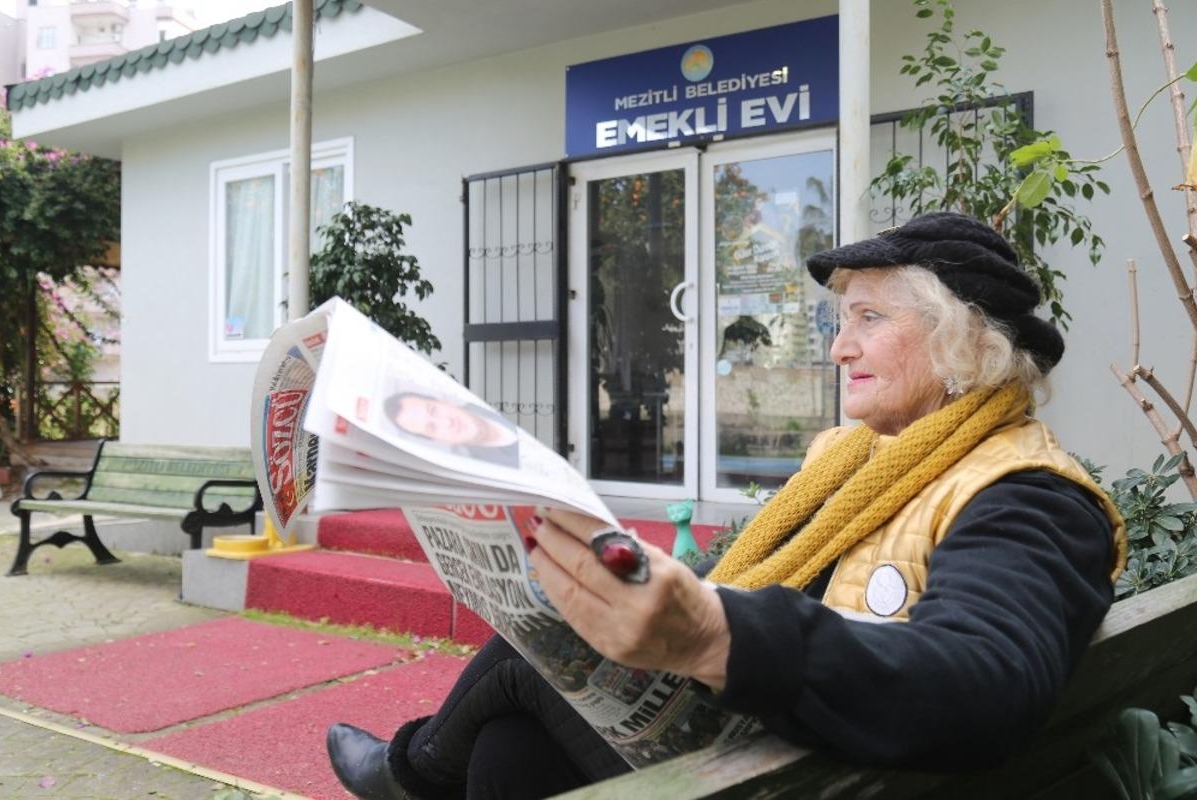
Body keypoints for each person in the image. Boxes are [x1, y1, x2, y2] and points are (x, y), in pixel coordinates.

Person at [326, 212, 1126, 799]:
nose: (839, 347)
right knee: (510, 741)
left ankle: (414, 776)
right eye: (841, 321)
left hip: (835, 779)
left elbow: (983, 684)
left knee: (536, 663)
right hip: (787, 757)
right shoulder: (856, 458)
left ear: (964, 342)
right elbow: (765, 579)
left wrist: (717, 632)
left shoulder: (1029, 495)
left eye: (869, 320)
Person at [384, 391, 520, 468]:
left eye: (433, 410)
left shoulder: (490, 395)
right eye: (432, 427)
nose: (446, 422)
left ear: (441, 401)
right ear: (436, 440)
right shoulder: (479, 469)